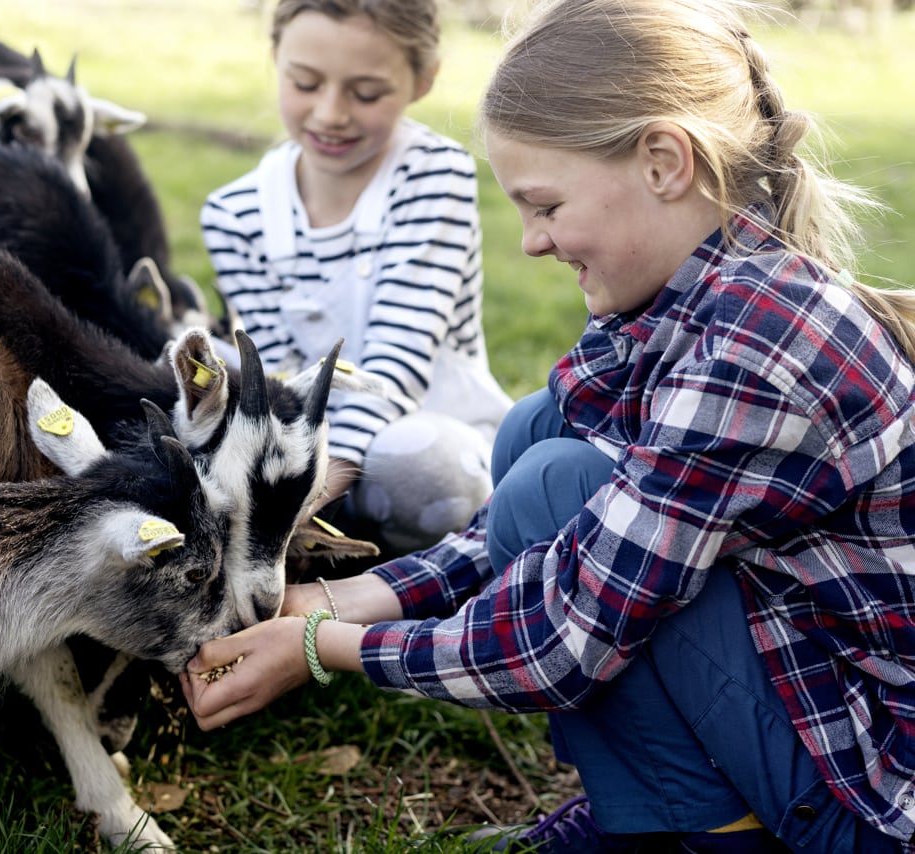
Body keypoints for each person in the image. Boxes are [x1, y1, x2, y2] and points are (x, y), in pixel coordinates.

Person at [180, 0, 915, 851]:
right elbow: (554, 533)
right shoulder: (679, 302)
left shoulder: (760, 347)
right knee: (538, 435)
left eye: (547, 205)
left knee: (552, 484)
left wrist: (322, 646)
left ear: (663, 163)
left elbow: (560, 642)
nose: (531, 242)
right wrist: (345, 597)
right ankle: (648, 812)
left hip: (867, 799)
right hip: (807, 703)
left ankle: (713, 835)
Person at [200, 0, 514, 555]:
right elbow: (281, 381)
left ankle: (438, 558)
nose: (330, 114)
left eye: (366, 93)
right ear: (276, 58)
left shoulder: (434, 175)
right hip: (312, 446)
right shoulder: (235, 215)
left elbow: (399, 359)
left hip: (429, 432)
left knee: (423, 469)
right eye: (305, 83)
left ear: (423, 78)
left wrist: (306, 497)